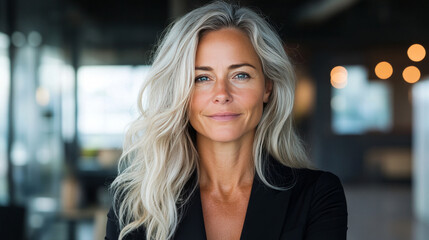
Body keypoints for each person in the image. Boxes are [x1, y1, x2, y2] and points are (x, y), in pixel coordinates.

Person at [105, 1, 348, 240]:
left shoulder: (317, 195)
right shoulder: (136, 203)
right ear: (178, 92)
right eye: (202, 78)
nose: (222, 94)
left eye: (240, 75)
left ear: (267, 87)